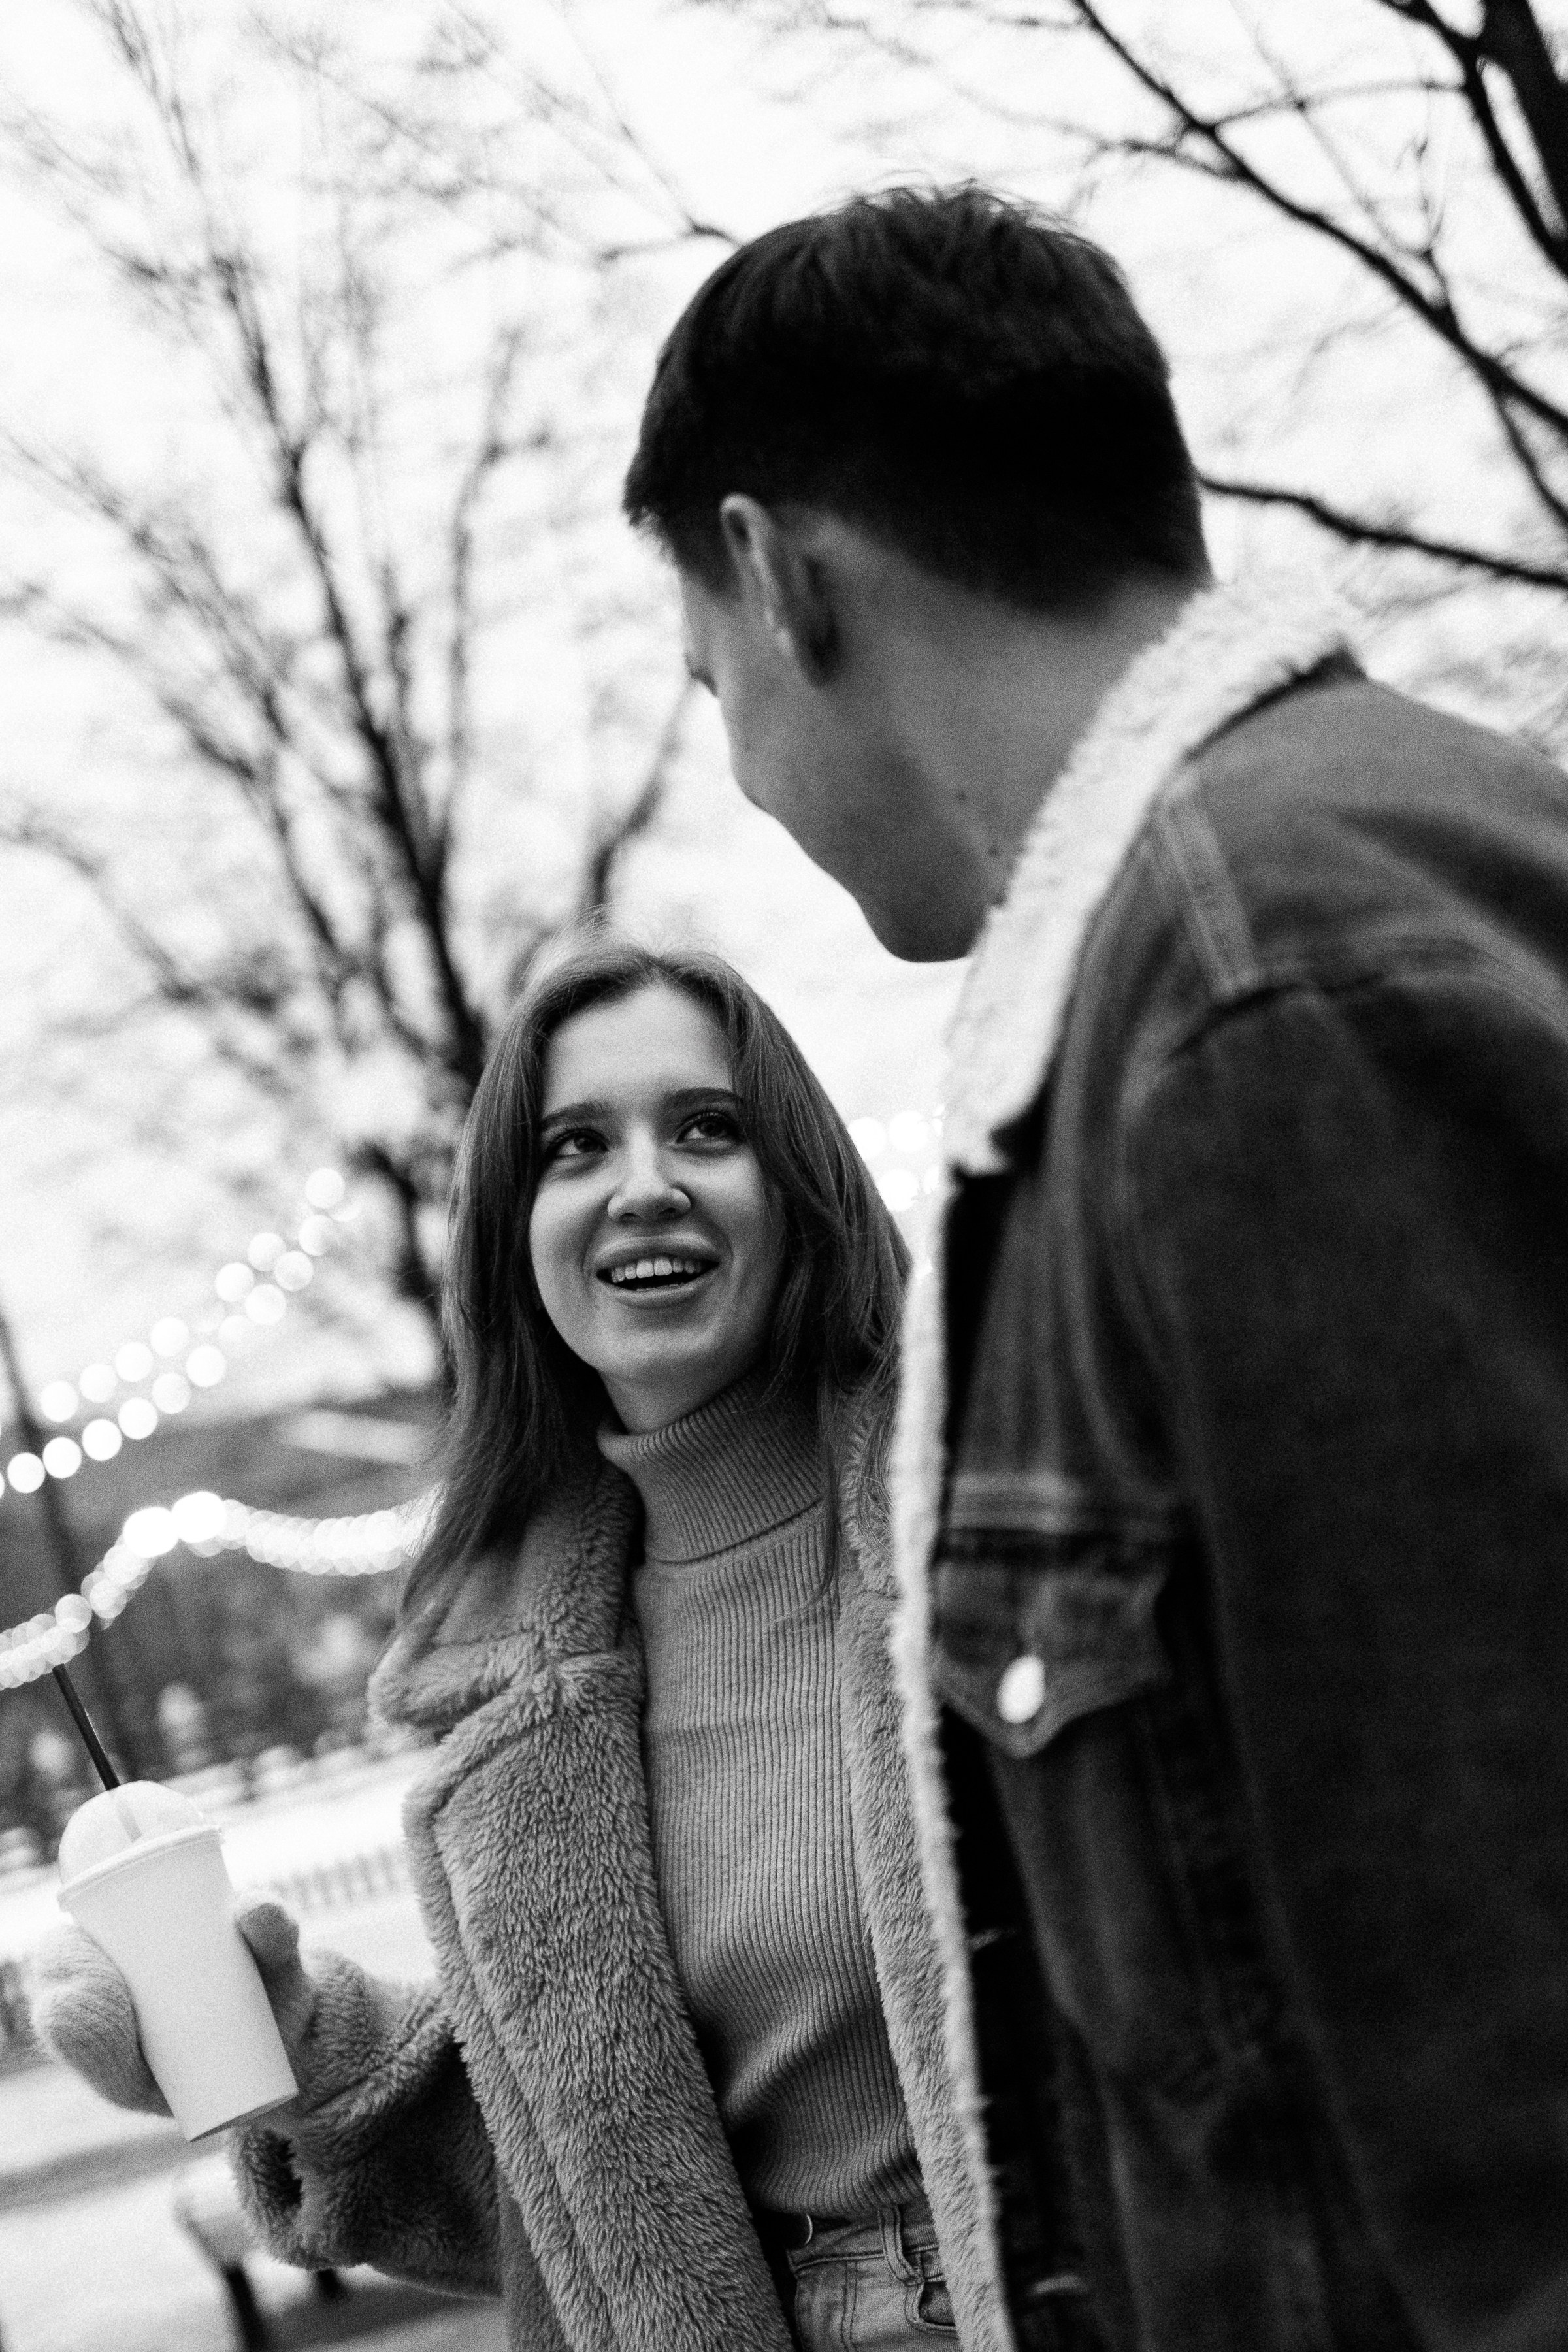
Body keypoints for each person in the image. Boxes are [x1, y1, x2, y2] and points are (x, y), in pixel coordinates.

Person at [622, 186, 1568, 2351]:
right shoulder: (1327, 886)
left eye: (711, 685)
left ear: (778, 575)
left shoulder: (1257, 998)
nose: (747, 776)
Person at [35, 938, 1013, 2352]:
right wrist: (300, 2040)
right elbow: (602, 2220)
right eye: (574, 1146)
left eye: (708, 1127)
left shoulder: (1004, 1515)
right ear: (517, 1235)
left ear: (799, 1189)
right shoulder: (519, 1694)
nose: (645, 1183)